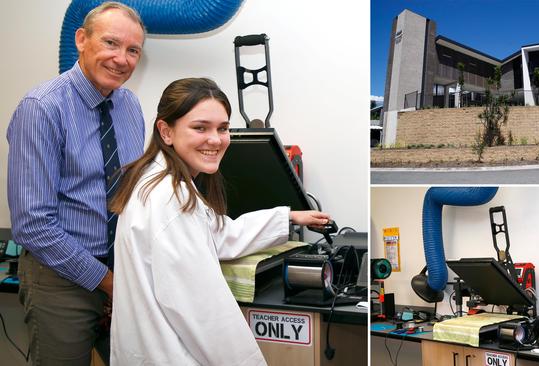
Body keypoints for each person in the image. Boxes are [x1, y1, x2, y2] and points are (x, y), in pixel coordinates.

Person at [108, 77, 330, 365]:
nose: (215, 139)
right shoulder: (172, 202)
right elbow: (206, 314)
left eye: (223, 128)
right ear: (166, 131)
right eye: (200, 127)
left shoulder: (159, 182)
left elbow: (219, 234)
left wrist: (287, 216)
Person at [6, 2, 146, 365]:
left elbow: (131, 193)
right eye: (111, 43)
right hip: (60, 280)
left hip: (120, 273)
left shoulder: (130, 106)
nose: (122, 59)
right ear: (82, 40)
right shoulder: (42, 108)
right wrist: (107, 281)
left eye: (133, 50)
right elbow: (33, 224)